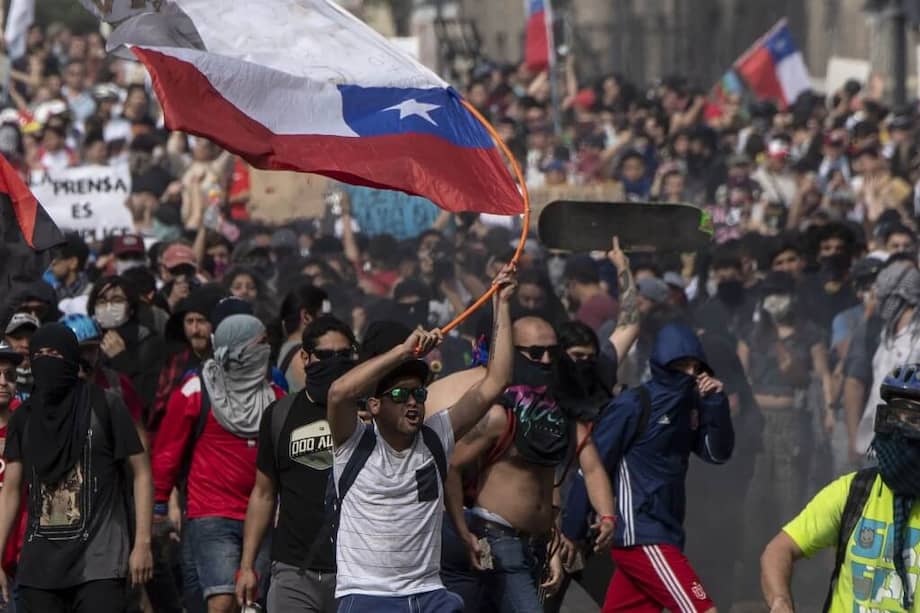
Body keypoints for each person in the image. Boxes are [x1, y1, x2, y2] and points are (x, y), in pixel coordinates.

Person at [325, 265, 516, 612]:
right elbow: (338, 393)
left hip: (430, 594)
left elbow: (495, 382)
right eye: (400, 395)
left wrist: (501, 304)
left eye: (419, 394)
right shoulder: (353, 443)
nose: (412, 402)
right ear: (374, 405)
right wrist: (403, 352)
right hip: (368, 596)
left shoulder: (436, 436)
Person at [440, 313, 616, 613]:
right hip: (497, 538)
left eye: (553, 352)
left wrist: (606, 517)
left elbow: (583, 470)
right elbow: (451, 466)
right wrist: (462, 529)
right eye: (535, 353)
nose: (546, 360)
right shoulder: (499, 414)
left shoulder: (560, 415)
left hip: (537, 542)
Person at [562, 322, 734, 613]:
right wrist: (572, 530)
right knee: (702, 609)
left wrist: (717, 404)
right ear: (662, 364)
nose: (690, 372)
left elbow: (717, 454)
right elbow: (592, 466)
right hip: (641, 533)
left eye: (695, 366)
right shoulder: (633, 404)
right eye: (681, 365)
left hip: (667, 529)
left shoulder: (691, 405)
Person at [0, 323, 153, 612]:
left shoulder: (105, 406)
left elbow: (142, 473)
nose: (46, 361)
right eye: (39, 354)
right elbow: (11, 490)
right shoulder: (25, 418)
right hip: (39, 569)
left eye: (54, 353)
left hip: (100, 561)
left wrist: (142, 543)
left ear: (71, 357)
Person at [761, 363, 920, 612]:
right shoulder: (855, 491)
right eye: (893, 418)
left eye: (913, 420)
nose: (899, 431)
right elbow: (778, 550)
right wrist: (781, 601)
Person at [152, 314, 281, 613]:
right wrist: (158, 506)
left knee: (250, 603)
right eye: (259, 344)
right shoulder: (196, 391)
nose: (266, 350)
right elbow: (168, 451)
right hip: (211, 512)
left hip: (261, 518)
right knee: (222, 603)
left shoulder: (276, 398)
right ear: (238, 350)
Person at [235, 315, 357, 613]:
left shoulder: (368, 413)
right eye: (325, 356)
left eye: (343, 355)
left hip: (356, 573)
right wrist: (247, 565)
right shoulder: (280, 415)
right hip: (294, 571)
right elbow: (263, 494)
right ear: (305, 357)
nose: (335, 363)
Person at [88, 276, 166, 416]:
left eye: (117, 300)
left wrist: (121, 359)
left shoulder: (148, 341)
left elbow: (146, 397)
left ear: (131, 308)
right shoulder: (89, 341)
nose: (109, 307)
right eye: (102, 301)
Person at [276, 284, 329, 394]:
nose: (329, 322)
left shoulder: (285, 348)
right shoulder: (303, 356)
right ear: (306, 317)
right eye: (323, 315)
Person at [2, 315, 39, 403]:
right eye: (17, 338)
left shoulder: (50, 383)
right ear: (4, 340)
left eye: (32, 339)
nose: (25, 344)